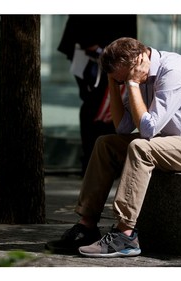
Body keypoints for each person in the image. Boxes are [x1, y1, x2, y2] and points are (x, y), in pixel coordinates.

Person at [45, 37, 181, 258]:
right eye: (121, 81)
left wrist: (132, 84)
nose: (124, 84)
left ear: (136, 61)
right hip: (172, 142)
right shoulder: (140, 75)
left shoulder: (174, 72)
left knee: (140, 147)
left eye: (123, 79)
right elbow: (123, 127)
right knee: (105, 144)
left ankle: (125, 234)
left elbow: (148, 130)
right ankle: (87, 226)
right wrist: (114, 86)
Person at [57, 15, 137, 176]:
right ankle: (93, 163)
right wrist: (91, 45)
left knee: (107, 106)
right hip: (90, 50)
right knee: (95, 104)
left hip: (111, 50)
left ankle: (104, 162)